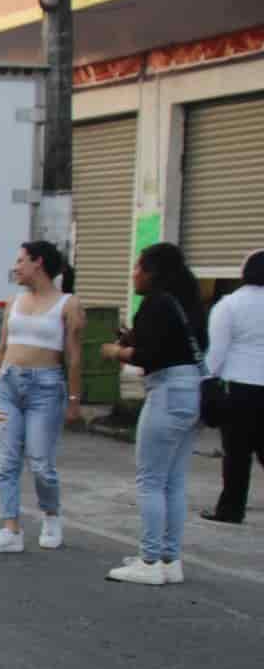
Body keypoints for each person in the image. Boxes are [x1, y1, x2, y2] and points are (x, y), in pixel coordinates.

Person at [102, 242, 207, 585]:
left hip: (167, 391)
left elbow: (146, 355)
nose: (134, 274)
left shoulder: (155, 303)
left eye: (137, 267)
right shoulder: (188, 303)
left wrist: (117, 350)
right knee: (174, 481)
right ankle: (169, 558)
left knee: (149, 480)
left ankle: (148, 561)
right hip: (193, 391)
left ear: (152, 272)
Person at [0, 241, 84, 555]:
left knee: (40, 463)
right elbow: (2, 349)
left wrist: (74, 400)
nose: (16, 267)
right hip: (8, 384)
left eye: (21, 260)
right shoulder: (15, 302)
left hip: (46, 388)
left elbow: (74, 358)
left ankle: (51, 516)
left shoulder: (69, 304)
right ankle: (10, 529)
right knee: (5, 462)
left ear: (39, 263)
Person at [202, 249, 264, 526]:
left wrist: (208, 379)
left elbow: (216, 352)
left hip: (239, 387)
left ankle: (231, 509)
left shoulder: (229, 305)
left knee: (237, 454)